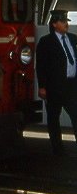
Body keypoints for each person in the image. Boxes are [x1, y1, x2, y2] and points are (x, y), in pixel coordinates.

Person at [36, 9, 77, 156]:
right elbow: (41, 66)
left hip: (71, 85)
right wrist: (42, 86)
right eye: (63, 21)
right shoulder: (46, 42)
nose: (66, 24)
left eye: (67, 21)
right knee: (54, 118)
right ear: (54, 24)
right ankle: (57, 149)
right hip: (54, 86)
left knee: (75, 114)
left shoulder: (73, 39)